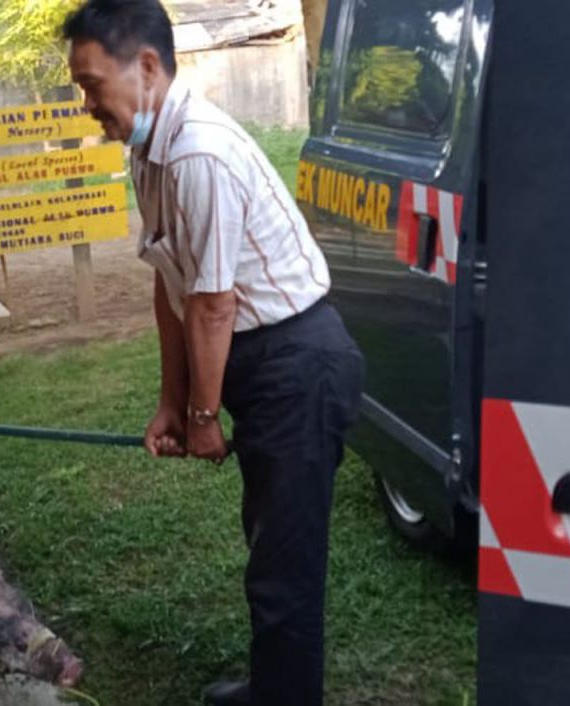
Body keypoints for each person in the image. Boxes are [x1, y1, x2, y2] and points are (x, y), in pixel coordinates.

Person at [63, 2, 365, 704]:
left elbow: (213, 304)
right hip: (259, 361)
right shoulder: (150, 154)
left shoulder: (198, 151)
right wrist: (173, 403)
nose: (86, 105)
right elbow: (172, 291)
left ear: (144, 67)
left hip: (297, 362)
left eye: (90, 83)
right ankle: (273, 688)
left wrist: (203, 415)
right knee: (268, 541)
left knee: (284, 566)